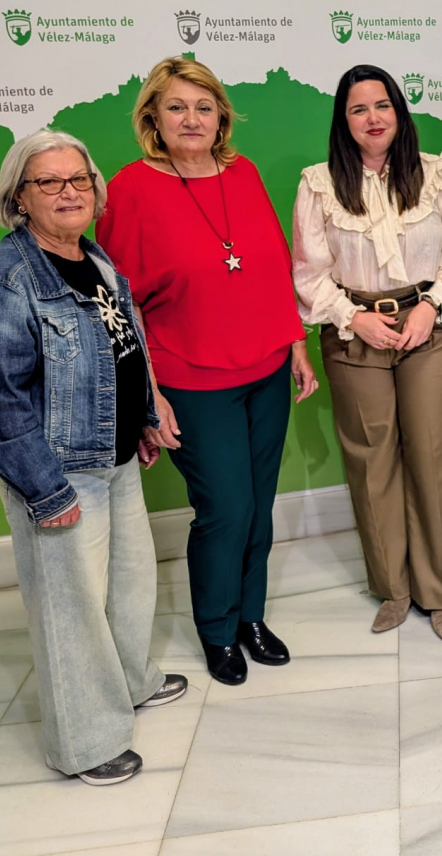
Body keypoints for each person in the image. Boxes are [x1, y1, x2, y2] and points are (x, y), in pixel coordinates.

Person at [0, 130, 187, 786]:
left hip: (113, 456)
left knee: (130, 585)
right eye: (49, 182)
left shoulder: (92, 255)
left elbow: (122, 345)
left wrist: (143, 416)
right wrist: (45, 491)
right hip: (59, 471)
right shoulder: (5, 281)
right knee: (71, 611)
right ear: (19, 197)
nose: (69, 192)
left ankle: (131, 682)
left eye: (79, 179)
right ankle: (85, 742)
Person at [96, 57, 318, 686]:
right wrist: (148, 396)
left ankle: (252, 617)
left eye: (203, 107)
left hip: (266, 370)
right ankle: (217, 631)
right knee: (225, 508)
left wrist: (295, 344)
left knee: (259, 504)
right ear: (153, 118)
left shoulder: (243, 172)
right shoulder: (130, 190)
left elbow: (273, 264)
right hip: (190, 380)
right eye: (176, 107)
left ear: (222, 115)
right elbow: (121, 306)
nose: (191, 119)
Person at [292, 65, 442, 640]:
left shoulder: (439, 175)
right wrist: (354, 318)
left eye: (382, 106)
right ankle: (394, 588)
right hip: (354, 331)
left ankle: (441, 589)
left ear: (399, 112)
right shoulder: (318, 185)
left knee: (432, 451)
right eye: (359, 109)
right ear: (343, 121)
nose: (372, 118)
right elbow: (308, 274)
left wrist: (429, 306)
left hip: (431, 325)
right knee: (371, 460)